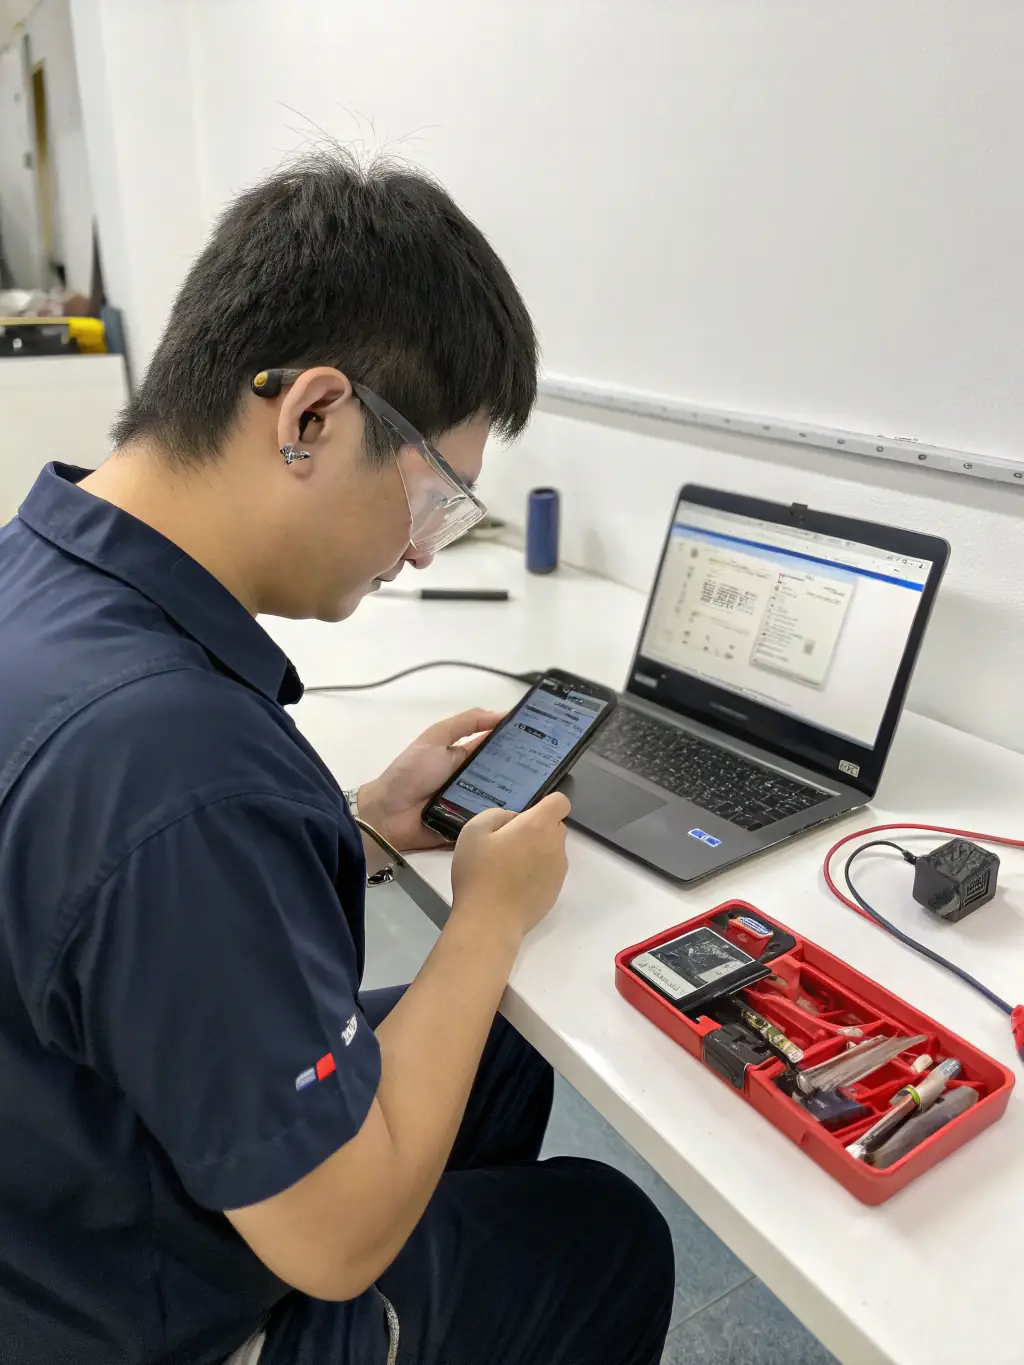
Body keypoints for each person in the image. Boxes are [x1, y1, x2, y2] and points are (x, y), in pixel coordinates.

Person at [0, 150, 674, 1365]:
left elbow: (117, 903)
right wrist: (485, 917)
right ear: (311, 415)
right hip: (123, 1308)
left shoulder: (36, 575)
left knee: (500, 1064)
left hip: (49, 1158)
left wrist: (360, 825)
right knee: (606, 1228)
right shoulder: (175, 762)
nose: (420, 557)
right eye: (433, 502)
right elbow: (336, 1244)